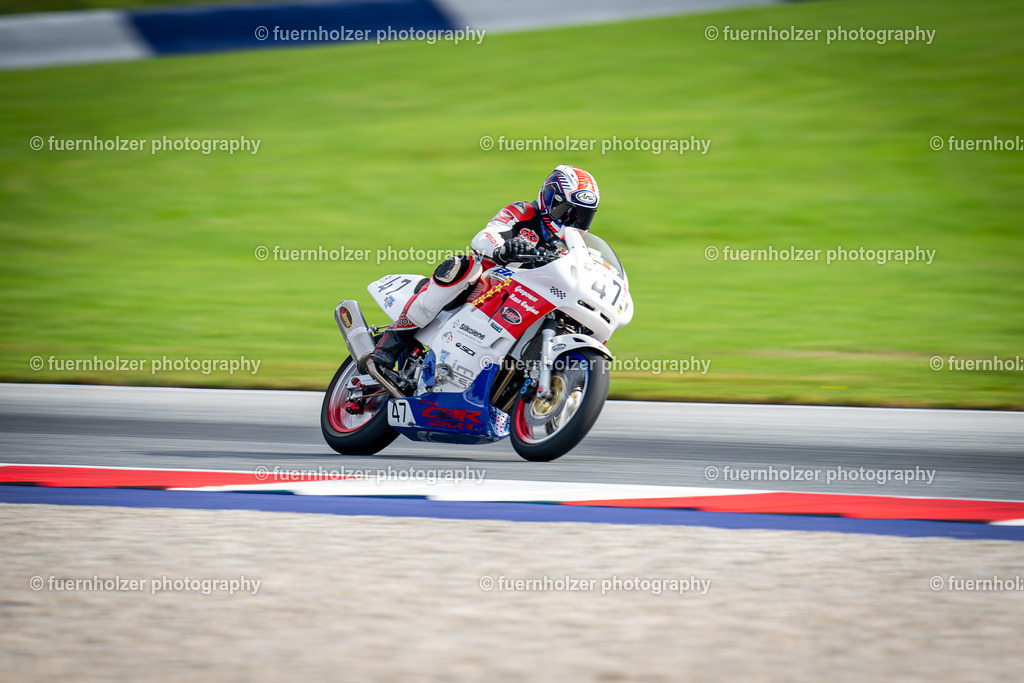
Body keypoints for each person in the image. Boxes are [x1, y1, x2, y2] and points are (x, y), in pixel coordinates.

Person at [369, 164, 601, 375]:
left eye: (582, 216)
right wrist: (503, 249)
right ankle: (392, 341)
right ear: (551, 198)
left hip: (530, 298)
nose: (573, 221)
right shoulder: (523, 212)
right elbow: (485, 235)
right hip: (489, 283)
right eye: (568, 211)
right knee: (463, 267)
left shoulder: (575, 246)